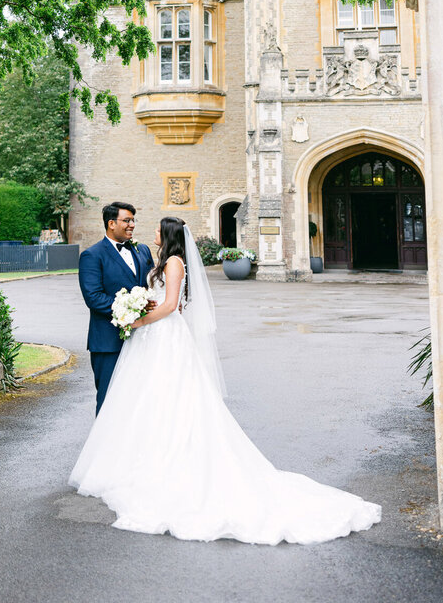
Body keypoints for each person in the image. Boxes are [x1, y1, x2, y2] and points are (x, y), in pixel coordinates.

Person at [70, 216, 382, 545]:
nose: (152, 233)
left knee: (171, 396)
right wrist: (135, 308)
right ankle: (137, 457)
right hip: (151, 339)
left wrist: (137, 320)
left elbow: (171, 306)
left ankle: (169, 462)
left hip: (163, 335)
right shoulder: (159, 258)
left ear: (170, 235)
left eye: (159, 230)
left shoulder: (174, 262)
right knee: (148, 398)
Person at [77, 202, 155, 414]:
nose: (132, 225)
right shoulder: (92, 255)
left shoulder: (143, 250)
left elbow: (150, 285)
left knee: (139, 397)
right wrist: (131, 309)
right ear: (111, 224)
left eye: (133, 220)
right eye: (127, 220)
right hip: (108, 342)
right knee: (109, 398)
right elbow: (94, 298)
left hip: (141, 338)